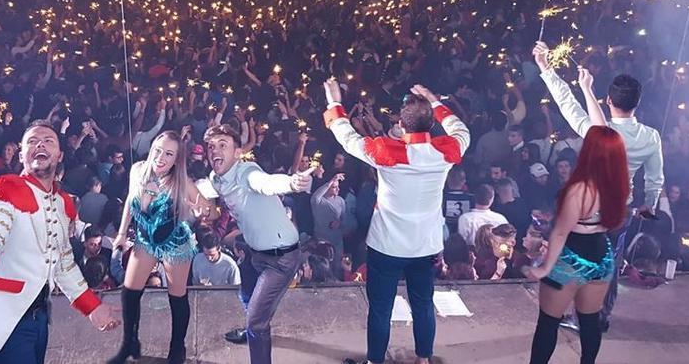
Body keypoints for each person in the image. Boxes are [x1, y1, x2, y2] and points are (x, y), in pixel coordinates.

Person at [323, 80, 470, 364]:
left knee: (380, 308)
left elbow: (346, 136)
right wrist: (433, 98)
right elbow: (459, 127)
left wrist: (334, 102)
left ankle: (374, 361)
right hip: (425, 246)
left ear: (401, 126)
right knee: (423, 304)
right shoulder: (448, 150)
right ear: (430, 125)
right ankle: (423, 359)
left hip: (386, 246)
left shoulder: (386, 152)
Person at [0, 120, 119, 363]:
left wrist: (92, 307)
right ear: (22, 155)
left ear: (60, 154)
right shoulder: (7, 186)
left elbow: (63, 263)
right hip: (1, 320)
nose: (39, 144)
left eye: (48, 141)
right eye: (32, 141)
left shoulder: (63, 203)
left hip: (38, 318)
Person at [534, 42, 664, 331]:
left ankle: (582, 316)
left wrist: (546, 68)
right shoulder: (650, 136)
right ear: (636, 102)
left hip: (590, 207)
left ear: (608, 101)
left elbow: (566, 103)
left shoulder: (600, 131)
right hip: (622, 207)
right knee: (610, 261)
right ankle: (599, 316)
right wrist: (650, 203)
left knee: (581, 259)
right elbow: (655, 176)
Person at [205, 124, 313, 364]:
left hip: (281, 259)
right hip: (255, 253)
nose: (215, 151)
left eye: (223, 145)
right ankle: (253, 328)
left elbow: (265, 182)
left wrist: (292, 184)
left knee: (257, 321)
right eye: (211, 146)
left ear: (237, 153)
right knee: (246, 296)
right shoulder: (216, 178)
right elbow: (204, 189)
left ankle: (255, 330)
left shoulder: (247, 172)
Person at [524, 126, 630, 364]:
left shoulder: (579, 189)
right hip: (603, 258)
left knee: (548, 322)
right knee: (590, 320)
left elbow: (561, 233)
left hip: (571, 260)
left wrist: (544, 268)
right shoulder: (619, 184)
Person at [110, 130, 216, 364]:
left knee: (176, 296)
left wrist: (203, 212)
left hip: (175, 243)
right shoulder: (137, 170)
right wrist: (120, 233)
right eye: (158, 151)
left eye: (169, 154)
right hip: (145, 239)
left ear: (177, 159)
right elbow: (130, 199)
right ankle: (130, 343)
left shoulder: (182, 182)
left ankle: (177, 348)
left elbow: (211, 210)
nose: (161, 158)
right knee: (129, 293)